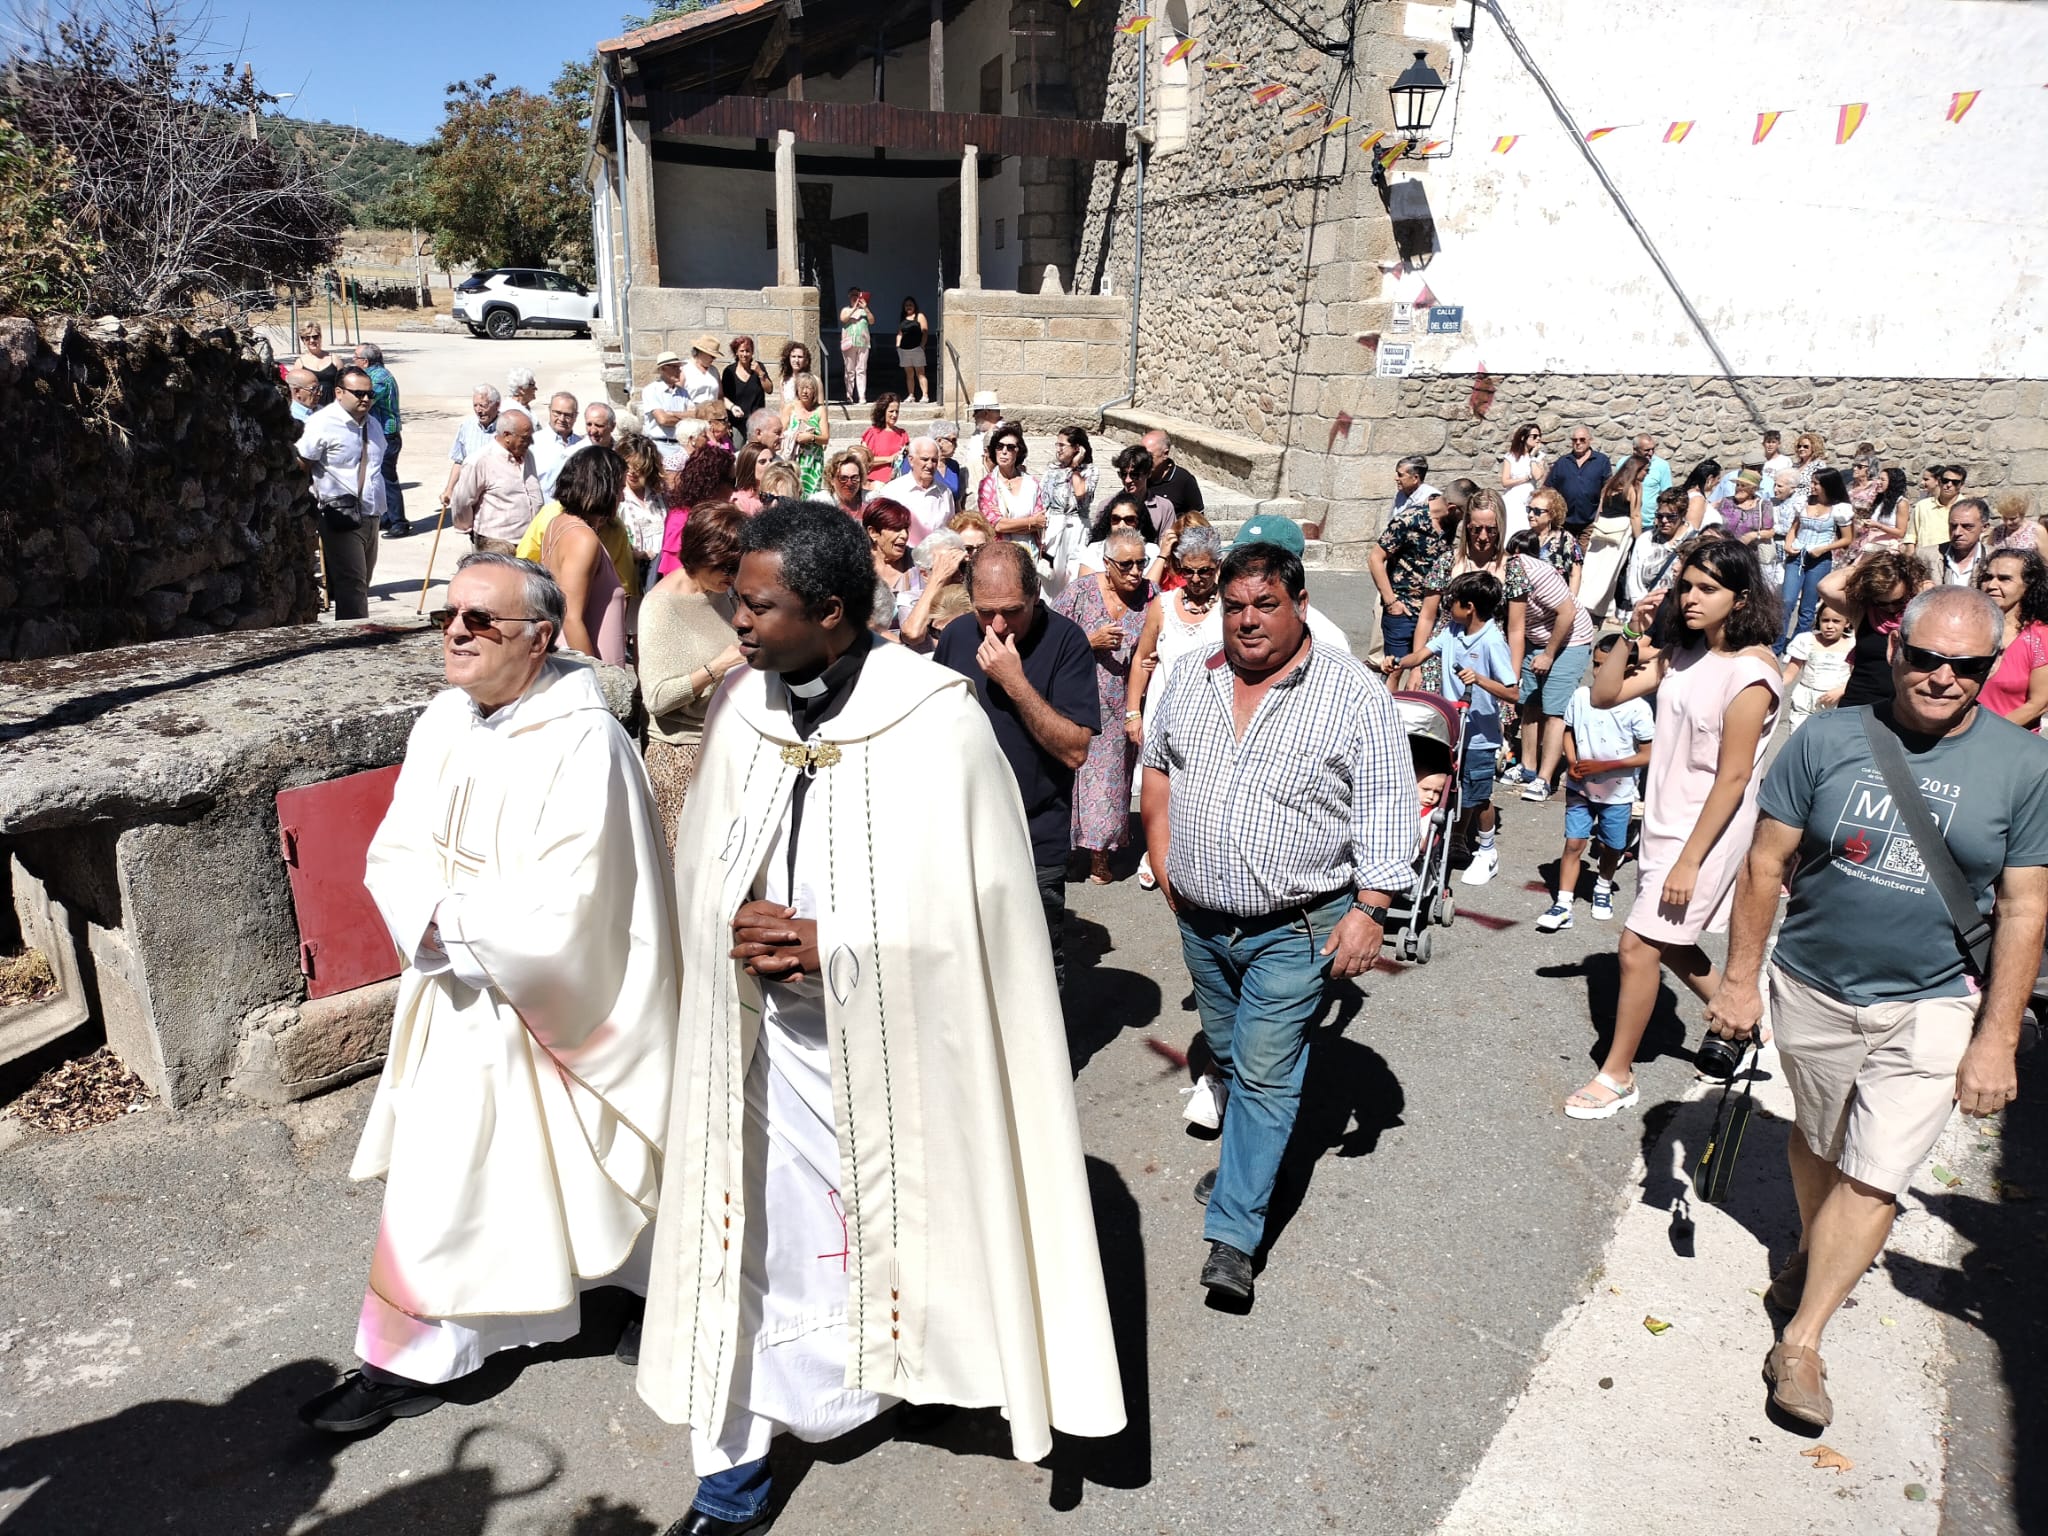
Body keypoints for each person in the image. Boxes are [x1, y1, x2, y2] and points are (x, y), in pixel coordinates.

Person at [637, 503, 1125, 1530]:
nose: (738, 623)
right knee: (749, 1244)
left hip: (895, 1046)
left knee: (895, 1229)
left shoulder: (934, 718)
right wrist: (732, 920)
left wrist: (836, 944)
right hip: (764, 1042)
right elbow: (701, 868)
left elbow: (979, 921)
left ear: (828, 611)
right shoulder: (748, 711)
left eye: (759, 606)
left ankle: (891, 1381)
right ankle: (732, 1471)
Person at [299, 553, 676, 1435]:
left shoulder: (588, 743)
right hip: (459, 998)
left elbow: (579, 904)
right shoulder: (443, 722)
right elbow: (396, 850)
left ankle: (639, 1294)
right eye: (450, 617)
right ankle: (408, 1354)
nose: (458, 633)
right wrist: (430, 919)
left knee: (594, 1168)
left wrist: (456, 925)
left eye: (482, 621)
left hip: (561, 1004)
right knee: (445, 1181)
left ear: (541, 640)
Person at [1703, 585, 2048, 1430]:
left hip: (1932, 1000)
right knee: (1821, 1141)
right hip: (1815, 985)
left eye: (1964, 665)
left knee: (1877, 1171)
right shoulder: (1826, 738)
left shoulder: (2025, 766)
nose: (1941, 677)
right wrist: (1740, 981)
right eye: (1925, 657)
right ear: (1895, 651)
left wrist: (1996, 1036)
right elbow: (1764, 866)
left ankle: (1804, 1339)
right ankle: (1817, 1255)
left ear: (1989, 669)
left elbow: (2027, 907)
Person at [1140, 540, 1416, 1300]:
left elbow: (1388, 809)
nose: (1248, 622)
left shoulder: (1352, 695)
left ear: (1299, 605)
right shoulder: (1195, 679)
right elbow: (1157, 764)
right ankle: (1244, 1167)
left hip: (1296, 926)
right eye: (1235, 607)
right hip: (1201, 921)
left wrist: (1371, 910)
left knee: (1262, 1076)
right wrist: (1163, 859)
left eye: (1266, 605)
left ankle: (1233, 1235)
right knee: (1229, 1055)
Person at [1563, 541, 1783, 1119]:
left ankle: (1617, 1074)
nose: (1690, 598)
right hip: (1664, 817)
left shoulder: (1752, 672)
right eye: (1687, 586)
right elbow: (1605, 694)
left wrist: (1690, 859)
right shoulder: (1683, 653)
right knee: (1673, 943)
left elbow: (1734, 778)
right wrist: (1630, 637)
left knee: (1638, 947)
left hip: (1704, 828)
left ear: (1741, 598)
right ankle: (1744, 1020)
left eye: (1707, 588)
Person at [935, 539, 1098, 990]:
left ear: (1035, 596)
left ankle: (1051, 1061)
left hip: (1033, 837)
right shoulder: (957, 636)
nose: (999, 624)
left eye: (1013, 610)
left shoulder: (1066, 641)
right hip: (963, 837)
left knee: (1035, 972)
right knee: (964, 967)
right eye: (986, 612)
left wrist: (1015, 682)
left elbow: (1075, 750)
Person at [639, 505, 747, 847]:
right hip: (680, 758)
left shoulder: (720, 593)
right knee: (685, 877)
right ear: (702, 555)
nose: (733, 574)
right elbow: (656, 699)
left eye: (738, 565)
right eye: (726, 566)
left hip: (721, 745)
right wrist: (718, 665)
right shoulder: (660, 606)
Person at [1052, 524, 1152, 885]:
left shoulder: (1149, 597)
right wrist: (1088, 641)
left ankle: (1100, 854)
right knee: (1071, 777)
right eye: (1126, 565)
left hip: (1120, 702)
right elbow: (1049, 636)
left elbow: (1159, 637)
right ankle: (1066, 849)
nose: (1136, 573)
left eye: (1141, 563)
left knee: (1109, 781)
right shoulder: (1080, 592)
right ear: (1107, 563)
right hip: (1076, 699)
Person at [1538, 632, 1654, 931]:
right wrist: (1573, 761)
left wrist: (1607, 765)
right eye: (1596, 664)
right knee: (1574, 843)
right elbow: (1569, 731)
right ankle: (1563, 903)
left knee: (1610, 847)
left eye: (1606, 666)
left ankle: (1603, 887)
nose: (1599, 672)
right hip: (1581, 789)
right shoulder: (1580, 697)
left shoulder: (1638, 708)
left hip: (1618, 793)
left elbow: (1648, 754)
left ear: (1629, 669)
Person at [1428, 571, 1518, 888]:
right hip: (1452, 729)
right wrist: (1398, 663)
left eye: (1452, 602)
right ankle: (1454, 842)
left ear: (1470, 607)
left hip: (1480, 735)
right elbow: (1422, 654)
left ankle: (1487, 851)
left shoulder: (1493, 641)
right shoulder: (1453, 630)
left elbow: (1512, 692)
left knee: (1479, 796)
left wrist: (1479, 679)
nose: (1447, 607)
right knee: (1451, 790)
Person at [1501, 529, 1596, 802]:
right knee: (1530, 702)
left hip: (1570, 639)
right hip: (1535, 636)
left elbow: (1568, 612)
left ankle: (1545, 777)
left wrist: (1550, 654)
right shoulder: (1500, 572)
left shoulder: (1537, 572)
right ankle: (1528, 766)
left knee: (1554, 709)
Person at [296, 362, 389, 620]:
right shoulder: (322, 423)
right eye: (359, 393)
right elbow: (302, 463)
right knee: (353, 585)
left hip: (371, 514)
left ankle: (353, 633)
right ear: (339, 393)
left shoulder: (373, 424)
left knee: (362, 584)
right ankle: (355, 643)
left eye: (370, 394)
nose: (366, 399)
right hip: (340, 515)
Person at [538, 447, 631, 666]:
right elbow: (571, 617)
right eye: (619, 488)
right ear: (602, 489)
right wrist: (596, 677)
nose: (623, 497)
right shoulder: (582, 538)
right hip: (581, 669)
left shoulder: (558, 523)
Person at [1818, 549, 1931, 712]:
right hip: (1859, 702)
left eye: (1898, 601)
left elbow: (1931, 590)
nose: (1891, 608)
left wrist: (1911, 576)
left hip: (1905, 708)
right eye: (1882, 603)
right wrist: (1865, 568)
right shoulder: (1863, 610)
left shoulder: (1922, 610)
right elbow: (1826, 587)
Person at [1370, 455, 1455, 662]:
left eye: (1401, 475)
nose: (1396, 479)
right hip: (1399, 586)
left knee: (1411, 660)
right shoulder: (1401, 496)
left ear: (1415, 478)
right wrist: (1392, 602)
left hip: (1419, 597)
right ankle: (1377, 659)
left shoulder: (1431, 503)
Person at [1778, 467, 1854, 652]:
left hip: (1820, 559)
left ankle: (1798, 645)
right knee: (1787, 601)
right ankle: (1777, 644)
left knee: (1808, 606)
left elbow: (1847, 539)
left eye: (1816, 483)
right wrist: (1788, 545)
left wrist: (1824, 549)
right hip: (1797, 556)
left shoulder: (1839, 509)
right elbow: (1794, 528)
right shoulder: (1804, 502)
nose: (1812, 487)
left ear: (1827, 485)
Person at [449, 410, 542, 558]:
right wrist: (469, 529)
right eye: (525, 438)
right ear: (506, 436)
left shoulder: (527, 456)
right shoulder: (480, 461)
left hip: (529, 541)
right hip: (496, 545)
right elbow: (462, 500)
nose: (531, 442)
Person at [1977, 548, 2048, 729]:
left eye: (2004, 579)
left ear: (2027, 586)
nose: (1992, 585)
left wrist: (1986, 734)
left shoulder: (2040, 637)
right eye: (1987, 577)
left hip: (2011, 742)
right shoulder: (1970, 629)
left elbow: (2038, 704)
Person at [352, 342, 409, 538]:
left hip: (387, 434)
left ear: (365, 361)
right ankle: (386, 516)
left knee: (387, 476)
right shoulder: (374, 376)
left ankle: (399, 522)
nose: (353, 362)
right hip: (379, 434)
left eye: (355, 358)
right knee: (377, 475)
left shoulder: (378, 379)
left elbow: (365, 401)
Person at [1034, 424, 1099, 596]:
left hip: (1077, 527)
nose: (1058, 449)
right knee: (1049, 576)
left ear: (1077, 448)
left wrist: (1075, 467)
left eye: (1062, 445)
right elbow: (1043, 498)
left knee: (1073, 575)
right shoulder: (1052, 470)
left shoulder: (1089, 471)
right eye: (1057, 444)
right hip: (1054, 524)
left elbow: (1080, 493)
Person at [1781, 600, 1856, 730]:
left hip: (1835, 703)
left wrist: (1842, 690)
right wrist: (1770, 686)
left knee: (1826, 744)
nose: (1830, 626)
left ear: (1847, 622)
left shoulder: (1852, 645)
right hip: (1805, 701)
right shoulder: (1806, 640)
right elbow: (1789, 673)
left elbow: (1856, 676)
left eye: (1836, 621)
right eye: (1825, 620)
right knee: (1798, 739)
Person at [615, 432, 669, 589]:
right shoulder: (618, 496)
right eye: (627, 465)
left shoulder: (660, 495)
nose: (632, 472)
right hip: (630, 573)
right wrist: (635, 554)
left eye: (638, 467)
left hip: (659, 575)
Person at [876, 436, 954, 543]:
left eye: (934, 460)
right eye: (925, 459)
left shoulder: (945, 493)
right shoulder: (891, 492)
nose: (930, 465)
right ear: (911, 460)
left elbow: (950, 530)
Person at [1622, 490, 1693, 606]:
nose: (1664, 521)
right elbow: (1634, 577)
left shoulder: (1694, 541)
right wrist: (1640, 604)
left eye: (1671, 517)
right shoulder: (1645, 540)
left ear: (1683, 514)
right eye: (1660, 516)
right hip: (1645, 606)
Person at [439, 386, 504, 507]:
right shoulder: (467, 426)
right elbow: (459, 461)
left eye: (483, 406)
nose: (478, 410)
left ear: (497, 405)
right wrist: (449, 490)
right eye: (475, 405)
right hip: (470, 495)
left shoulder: (507, 428)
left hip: (497, 497)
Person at [864, 498, 919, 631]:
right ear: (873, 532)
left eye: (905, 528)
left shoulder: (917, 562)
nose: (904, 535)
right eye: (896, 529)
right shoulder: (857, 566)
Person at [977, 420, 1040, 534]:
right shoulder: (987, 484)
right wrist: (1031, 521)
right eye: (999, 447)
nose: (1004, 451)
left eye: (1010, 447)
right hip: (1000, 547)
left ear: (1018, 452)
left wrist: (1009, 524)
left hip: (1030, 547)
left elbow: (1041, 521)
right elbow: (997, 525)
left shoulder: (1032, 483)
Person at [1547, 427, 1611, 536]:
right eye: (1574, 440)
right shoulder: (1562, 462)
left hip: (1590, 521)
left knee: (1584, 552)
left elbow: (1607, 487)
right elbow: (1549, 488)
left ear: (1590, 440)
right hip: (1564, 522)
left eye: (1582, 440)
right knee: (1566, 551)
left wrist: (1601, 511)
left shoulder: (1601, 461)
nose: (1578, 443)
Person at [1526, 488, 1585, 594]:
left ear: (1552, 514)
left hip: (1557, 602)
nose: (1530, 515)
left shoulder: (1566, 540)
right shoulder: (1524, 538)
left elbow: (1575, 574)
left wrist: (1572, 604)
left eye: (1537, 511)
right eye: (1528, 509)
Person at [531, 392, 584, 502]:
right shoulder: (534, 443)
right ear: (550, 410)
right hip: (542, 513)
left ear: (575, 416)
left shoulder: (581, 446)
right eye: (557, 413)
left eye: (567, 415)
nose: (562, 419)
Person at [1144, 429, 1205, 520]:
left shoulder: (1184, 480)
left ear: (1165, 454)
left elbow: (1198, 520)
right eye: (1140, 454)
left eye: (1148, 455)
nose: (1142, 460)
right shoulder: (1137, 476)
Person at [1500, 422, 1547, 536]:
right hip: (1513, 498)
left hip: (1528, 498)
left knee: (1526, 528)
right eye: (1534, 436)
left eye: (1539, 436)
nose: (1538, 439)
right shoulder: (1511, 456)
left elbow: (1537, 475)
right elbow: (1505, 482)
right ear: (1523, 437)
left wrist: (1532, 457)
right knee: (1510, 529)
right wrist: (1524, 479)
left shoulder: (1539, 456)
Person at [786, 372, 828, 497]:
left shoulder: (820, 410)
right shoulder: (790, 408)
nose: (805, 392)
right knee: (794, 494)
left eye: (808, 388)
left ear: (814, 391)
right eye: (802, 388)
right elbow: (780, 432)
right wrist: (794, 436)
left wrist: (811, 437)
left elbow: (825, 438)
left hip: (813, 462)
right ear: (797, 390)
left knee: (812, 497)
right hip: (795, 459)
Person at [1934, 496, 1992, 587]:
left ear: (1984, 527)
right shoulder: (1928, 557)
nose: (1957, 532)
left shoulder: (1994, 559)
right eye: (1953, 526)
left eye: (1967, 526)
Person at [720, 335, 768, 432]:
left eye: (748, 351)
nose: (745, 354)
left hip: (756, 423)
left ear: (752, 352)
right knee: (737, 447)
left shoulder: (759, 367)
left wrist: (760, 373)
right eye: (742, 351)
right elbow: (723, 397)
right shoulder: (729, 371)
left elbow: (769, 389)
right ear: (736, 352)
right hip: (736, 423)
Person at [961, 391, 1003, 498]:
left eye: (976, 412)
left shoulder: (1003, 435)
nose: (973, 416)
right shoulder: (979, 432)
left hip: (991, 495)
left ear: (986, 413)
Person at [861, 394, 909, 485]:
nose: (894, 415)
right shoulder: (872, 433)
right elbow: (864, 461)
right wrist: (889, 459)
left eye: (897, 411)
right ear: (883, 411)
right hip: (875, 482)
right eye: (891, 411)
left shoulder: (903, 434)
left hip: (897, 482)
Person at [1989, 491, 2048, 561]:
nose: (2008, 522)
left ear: (2022, 514)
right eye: (2005, 518)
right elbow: (1989, 555)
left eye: (2013, 518)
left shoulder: (2037, 530)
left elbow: (2046, 561)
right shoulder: (1997, 531)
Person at [839, 288, 873, 404]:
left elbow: (872, 321)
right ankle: (849, 395)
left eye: (857, 295)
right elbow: (843, 319)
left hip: (863, 343)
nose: (855, 297)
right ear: (849, 296)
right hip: (849, 343)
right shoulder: (846, 309)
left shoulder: (864, 310)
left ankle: (861, 396)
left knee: (861, 369)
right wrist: (854, 308)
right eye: (852, 295)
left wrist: (865, 308)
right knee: (849, 370)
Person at [894, 295, 930, 402]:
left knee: (920, 373)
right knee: (909, 374)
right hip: (904, 350)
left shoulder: (919, 316)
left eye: (910, 305)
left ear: (914, 306)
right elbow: (900, 333)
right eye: (906, 305)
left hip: (916, 348)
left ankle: (925, 395)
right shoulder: (903, 319)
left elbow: (925, 331)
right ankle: (911, 395)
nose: (908, 307)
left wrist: (923, 345)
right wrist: (898, 345)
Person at [295, 322, 340, 406]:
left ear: (320, 337)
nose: (312, 340)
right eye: (307, 338)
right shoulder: (300, 363)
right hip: (311, 406)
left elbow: (343, 384)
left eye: (315, 337)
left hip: (334, 405)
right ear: (303, 340)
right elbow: (296, 389)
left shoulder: (334, 359)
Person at [1635, 432, 1674, 521]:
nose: (1651, 453)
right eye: (1647, 450)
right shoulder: (1623, 463)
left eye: (1653, 449)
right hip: (1628, 520)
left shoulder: (1662, 465)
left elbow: (1666, 495)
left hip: (1651, 522)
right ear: (1635, 449)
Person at [681, 335, 723, 409]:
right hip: (691, 416)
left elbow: (720, 396)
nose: (714, 359)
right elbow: (677, 397)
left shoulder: (714, 371)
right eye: (712, 356)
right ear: (701, 352)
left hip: (711, 416)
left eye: (715, 356)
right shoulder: (684, 368)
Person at [826, 447, 869, 518]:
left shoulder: (871, 500)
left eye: (854, 478)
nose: (849, 483)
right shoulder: (822, 502)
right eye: (843, 478)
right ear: (832, 480)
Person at [775, 340, 813, 407]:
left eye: (800, 357)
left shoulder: (814, 381)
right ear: (788, 359)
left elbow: (820, 409)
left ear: (805, 360)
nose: (796, 360)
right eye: (793, 356)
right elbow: (782, 406)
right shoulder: (784, 381)